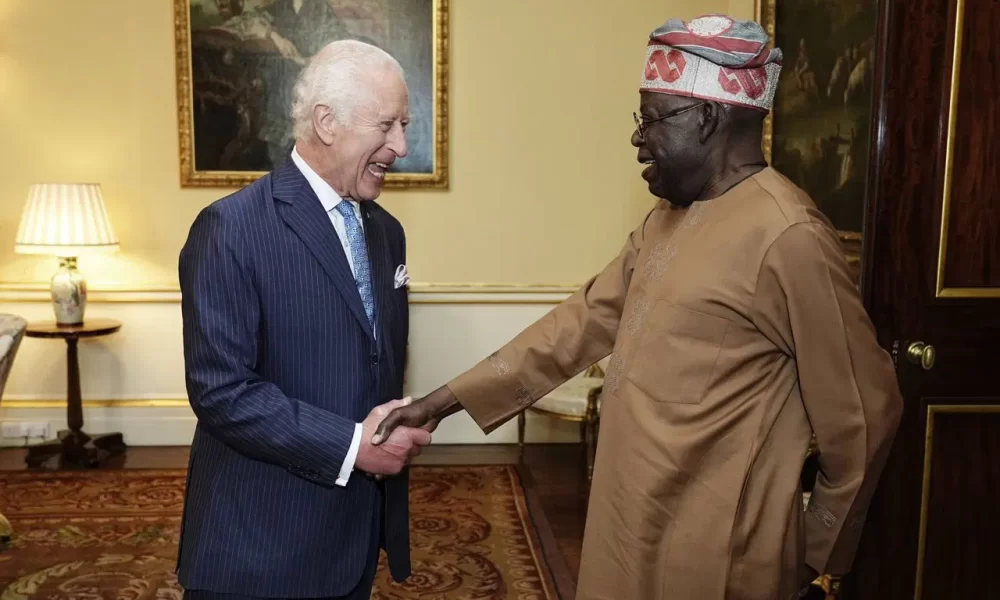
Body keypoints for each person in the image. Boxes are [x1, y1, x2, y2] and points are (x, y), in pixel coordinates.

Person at [373, 15, 904, 600]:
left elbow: (864, 410)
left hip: (716, 553)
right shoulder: (665, 220)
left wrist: (815, 557)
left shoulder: (789, 235)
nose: (637, 137)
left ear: (706, 117)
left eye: (653, 119)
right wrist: (440, 402)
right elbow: (579, 324)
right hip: (627, 521)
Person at [177, 39, 430, 600]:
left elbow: (373, 360)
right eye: (387, 126)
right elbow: (222, 391)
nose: (402, 146)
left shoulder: (388, 233)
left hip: (354, 537)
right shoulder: (231, 229)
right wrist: (352, 446)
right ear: (327, 122)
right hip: (261, 547)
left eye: (405, 126)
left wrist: (395, 422)